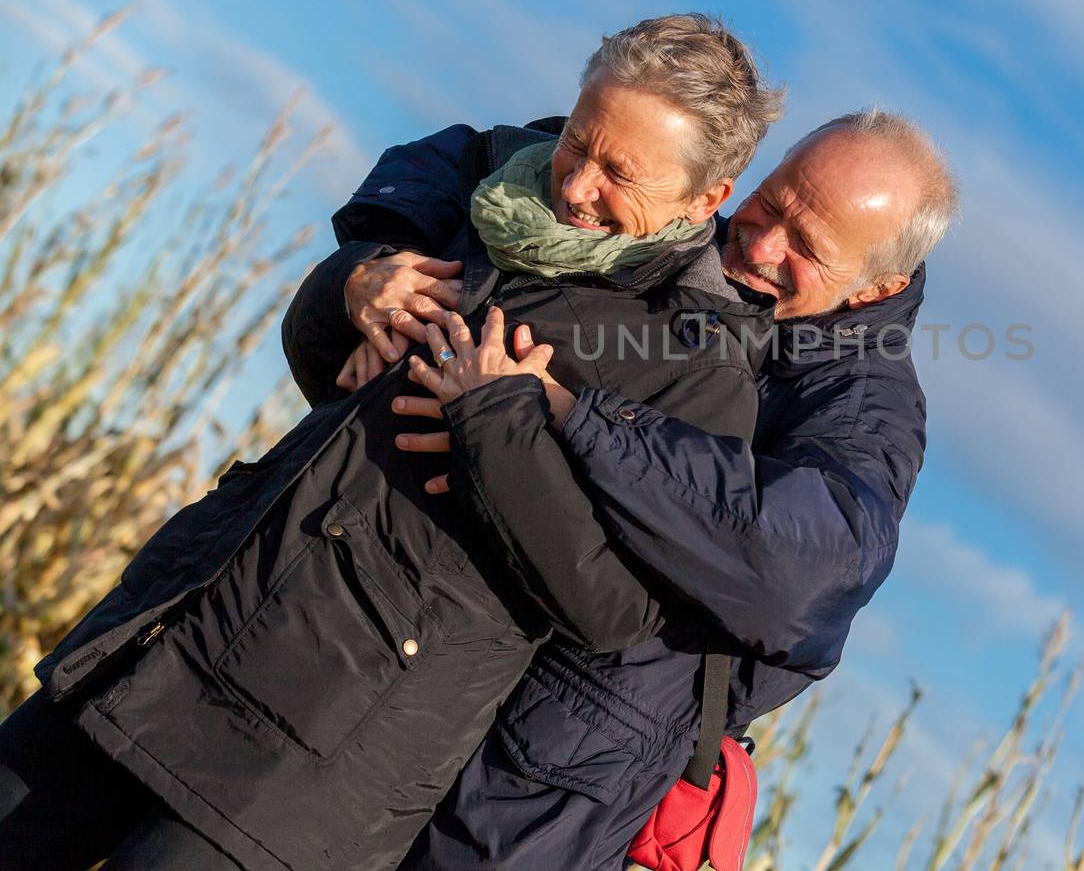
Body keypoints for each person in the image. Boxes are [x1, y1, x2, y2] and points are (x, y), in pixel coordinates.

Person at [0, 14, 783, 871]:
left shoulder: (698, 373)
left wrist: (493, 427)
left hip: (315, 755)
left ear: (710, 197)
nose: (576, 186)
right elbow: (328, 378)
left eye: (619, 173)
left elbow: (613, 608)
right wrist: (353, 283)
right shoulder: (493, 196)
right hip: (176, 632)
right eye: (579, 143)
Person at [312, 109, 958, 868]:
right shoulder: (681, 219)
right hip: (396, 678)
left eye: (808, 247)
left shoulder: (868, 407)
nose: (760, 244)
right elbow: (477, 155)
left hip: (539, 789)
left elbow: (811, 568)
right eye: (774, 200)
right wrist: (377, 262)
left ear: (878, 285)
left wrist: (572, 414)